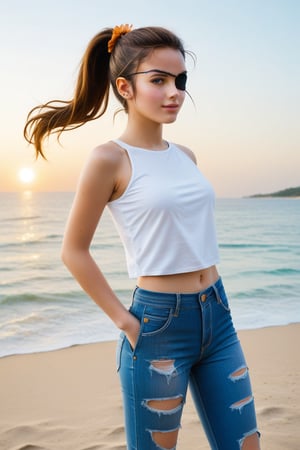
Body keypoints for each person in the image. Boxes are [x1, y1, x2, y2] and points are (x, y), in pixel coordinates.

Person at [24, 24, 261, 450]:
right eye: (159, 80)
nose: (175, 92)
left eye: (180, 81)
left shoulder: (186, 156)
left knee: (245, 444)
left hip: (218, 316)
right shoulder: (108, 159)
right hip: (158, 326)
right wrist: (125, 321)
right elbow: (73, 251)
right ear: (124, 87)